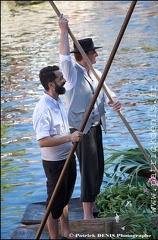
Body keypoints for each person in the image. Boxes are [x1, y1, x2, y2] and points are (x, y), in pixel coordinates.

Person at [58, 14, 122, 220]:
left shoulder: (94, 72)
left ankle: (92, 205)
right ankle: (87, 215)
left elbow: (107, 93)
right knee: (88, 169)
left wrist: (115, 101)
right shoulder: (71, 74)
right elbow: (64, 57)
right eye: (94, 53)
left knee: (98, 167)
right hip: (80, 129)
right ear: (85, 55)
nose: (97, 56)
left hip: (95, 126)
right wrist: (63, 31)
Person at [33, 65, 84, 239]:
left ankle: (66, 231)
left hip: (68, 158)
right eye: (61, 78)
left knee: (65, 198)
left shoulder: (57, 100)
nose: (64, 80)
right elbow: (42, 141)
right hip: (55, 163)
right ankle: (54, 238)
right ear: (51, 84)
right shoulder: (43, 108)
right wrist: (70, 138)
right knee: (54, 204)